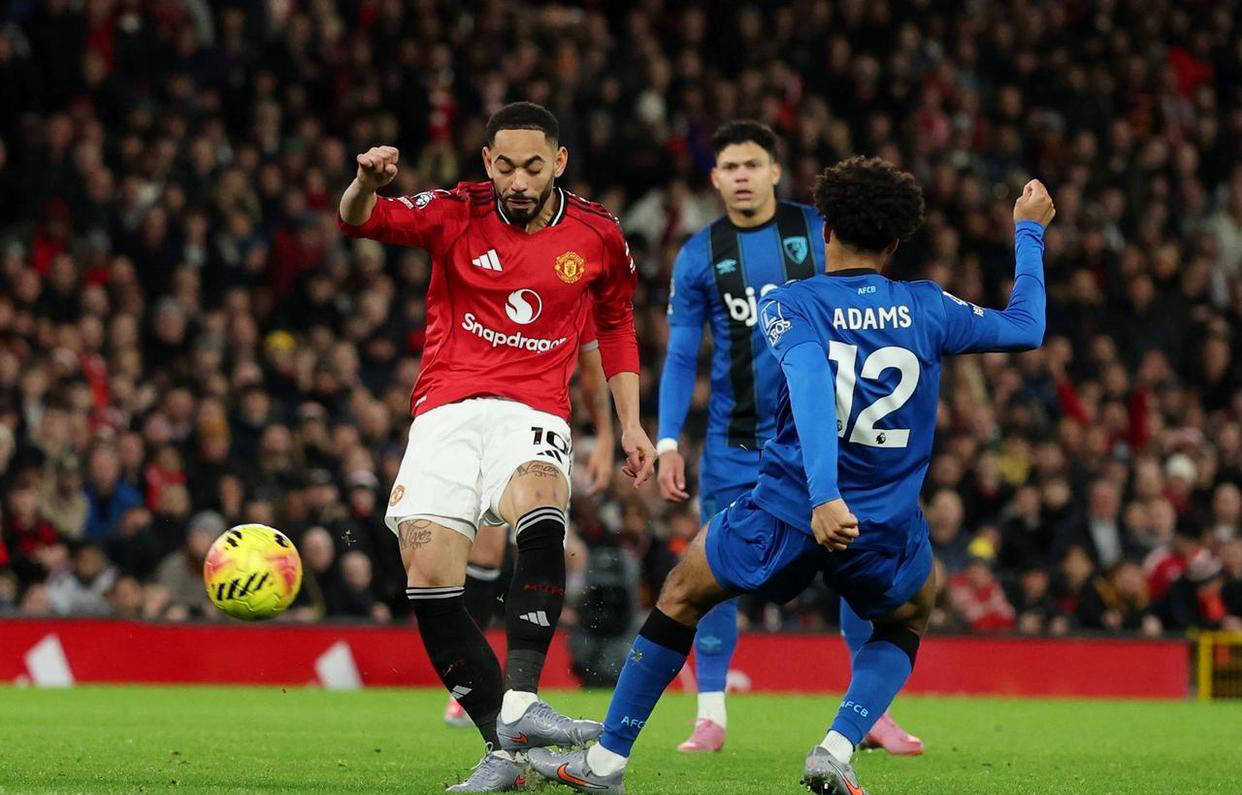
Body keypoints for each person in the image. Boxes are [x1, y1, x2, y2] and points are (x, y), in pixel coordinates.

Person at [527, 159, 1053, 793]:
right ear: (893, 242)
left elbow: (808, 383)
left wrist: (823, 496)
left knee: (683, 593)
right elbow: (1026, 328)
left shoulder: (791, 301)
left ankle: (607, 762)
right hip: (883, 524)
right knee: (907, 617)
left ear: (824, 228)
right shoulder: (928, 305)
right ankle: (837, 745)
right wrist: (1028, 233)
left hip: (790, 509)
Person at [337, 101, 656, 791]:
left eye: (533, 167)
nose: (517, 181)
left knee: (541, 499)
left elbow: (616, 324)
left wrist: (629, 423)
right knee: (428, 575)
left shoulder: (597, 233)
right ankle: (504, 750)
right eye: (504, 166)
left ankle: (522, 699)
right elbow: (359, 220)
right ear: (487, 161)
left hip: (533, 407)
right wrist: (365, 183)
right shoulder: (456, 209)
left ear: (559, 162)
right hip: (444, 410)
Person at [656, 119, 922, 754]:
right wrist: (667, 441)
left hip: (825, 442)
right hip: (735, 444)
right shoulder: (698, 256)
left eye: (753, 164)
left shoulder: (818, 233)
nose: (742, 177)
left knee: (859, 568)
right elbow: (682, 354)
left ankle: (871, 713)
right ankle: (710, 715)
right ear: (714, 178)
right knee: (714, 572)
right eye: (730, 167)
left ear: (775, 171)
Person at [446, 324, 616, 728]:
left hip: (543, 429)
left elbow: (591, 364)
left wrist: (606, 436)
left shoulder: (572, 298)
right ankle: (472, 685)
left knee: (546, 547)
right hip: (487, 420)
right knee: (485, 550)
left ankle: (520, 689)